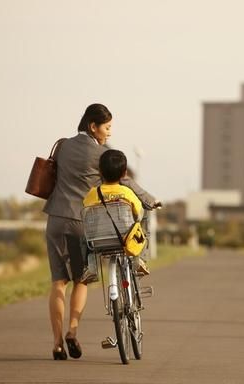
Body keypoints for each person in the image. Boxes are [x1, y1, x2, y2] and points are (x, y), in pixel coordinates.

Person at [43, 103, 158, 361]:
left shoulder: (62, 146)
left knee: (57, 282)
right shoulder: (101, 153)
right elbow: (123, 180)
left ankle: (56, 343)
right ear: (93, 126)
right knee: (81, 280)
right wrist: (150, 200)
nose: (109, 133)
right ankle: (72, 331)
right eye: (107, 128)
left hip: (54, 219)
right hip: (79, 221)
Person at [83, 149, 150, 275]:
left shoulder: (93, 193)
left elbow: (86, 207)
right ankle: (140, 258)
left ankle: (90, 265)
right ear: (124, 173)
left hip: (98, 240)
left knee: (83, 235)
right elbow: (139, 212)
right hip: (125, 240)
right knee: (144, 222)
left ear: (100, 172)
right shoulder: (126, 192)